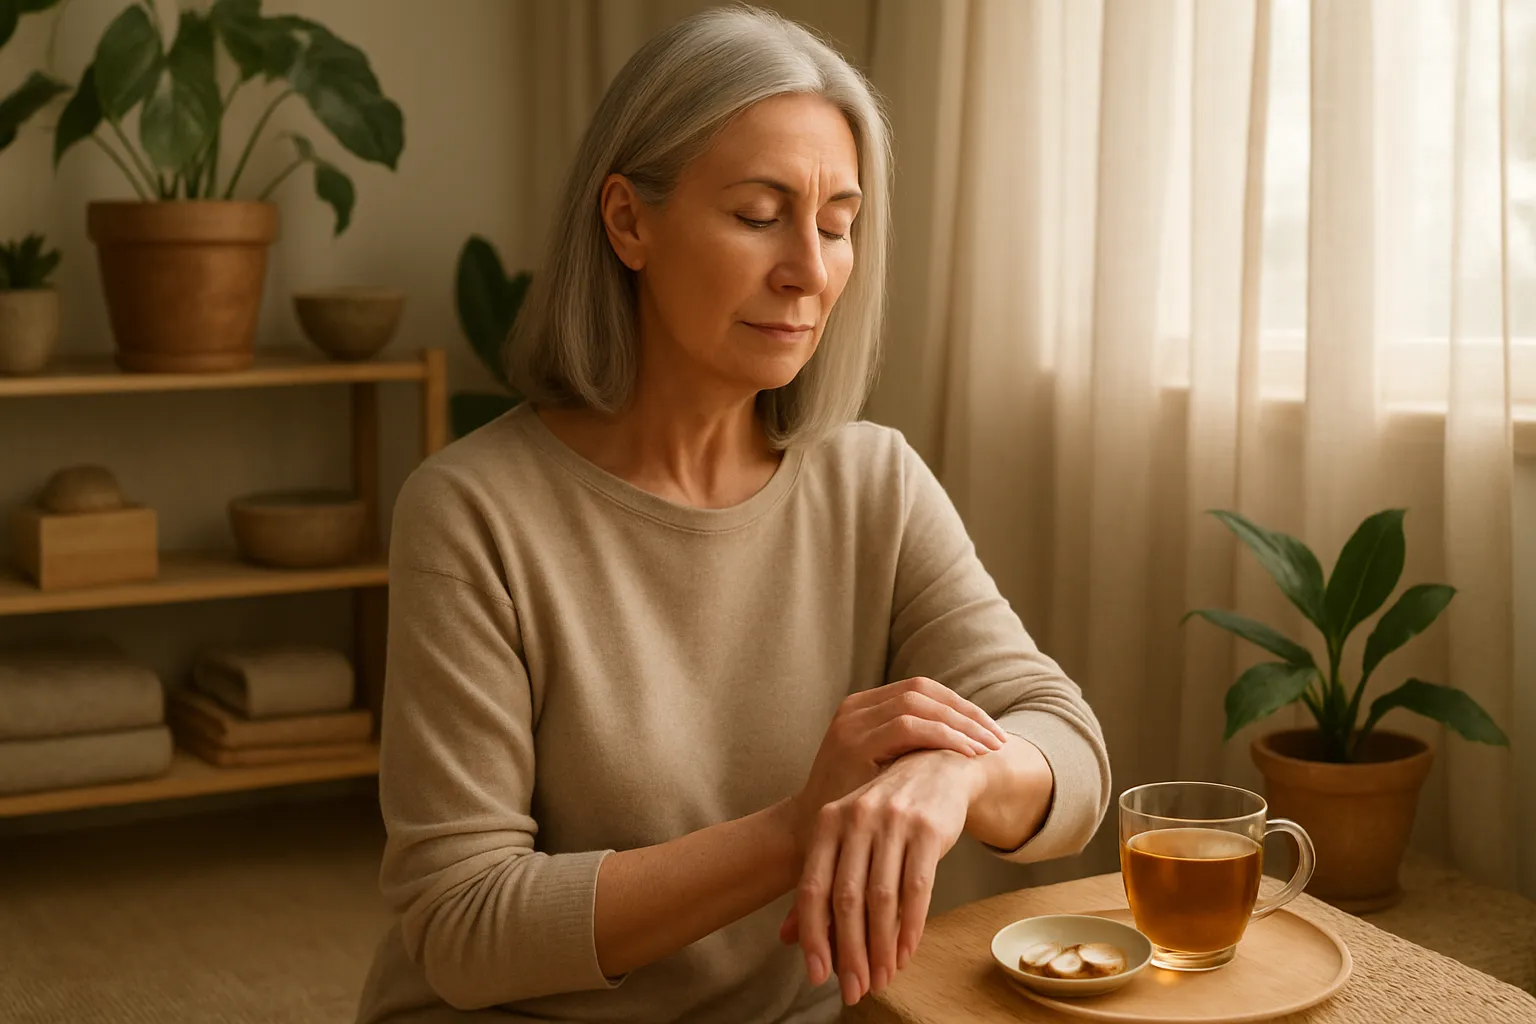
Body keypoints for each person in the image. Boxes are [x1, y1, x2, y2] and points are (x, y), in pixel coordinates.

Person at [355, 7, 1110, 1023]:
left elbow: (1067, 747)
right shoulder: (472, 512)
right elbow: (465, 926)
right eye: (760, 215)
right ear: (628, 221)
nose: (809, 266)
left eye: (838, 224)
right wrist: (799, 827)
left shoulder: (872, 483)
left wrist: (954, 779)